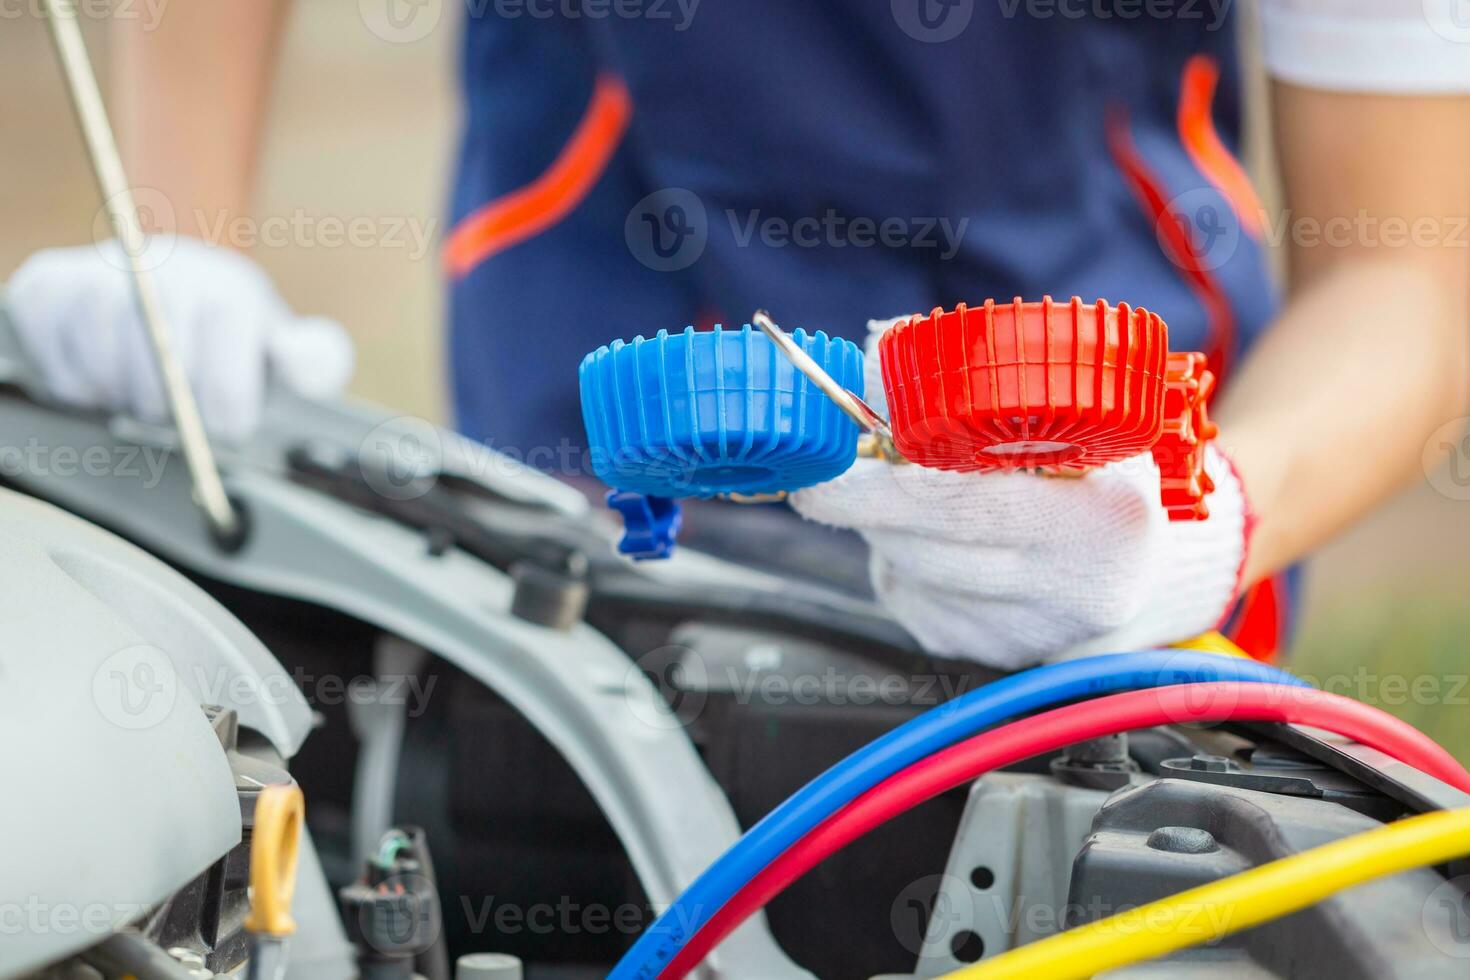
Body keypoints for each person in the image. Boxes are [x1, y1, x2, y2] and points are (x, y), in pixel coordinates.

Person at [8, 1, 1469, 668]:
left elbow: (1407, 276)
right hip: (570, 486)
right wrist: (176, 241)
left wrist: (1201, 522)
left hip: (1104, 511)